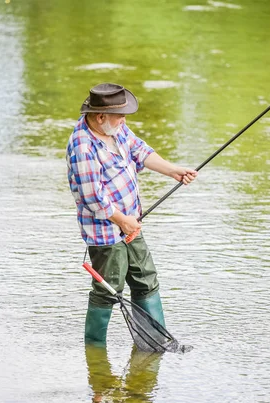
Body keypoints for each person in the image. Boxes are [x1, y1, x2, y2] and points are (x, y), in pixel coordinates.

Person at [66, 83, 197, 345]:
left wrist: (172, 170)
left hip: (130, 224)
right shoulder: (83, 146)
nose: (124, 120)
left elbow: (140, 150)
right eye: (120, 115)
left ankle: (157, 343)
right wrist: (123, 221)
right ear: (100, 116)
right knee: (108, 292)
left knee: (146, 280)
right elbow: (93, 198)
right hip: (106, 233)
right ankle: (95, 351)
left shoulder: (115, 129)